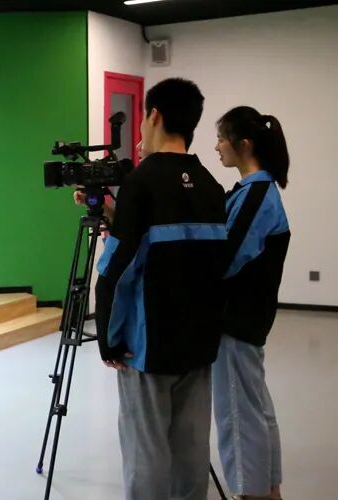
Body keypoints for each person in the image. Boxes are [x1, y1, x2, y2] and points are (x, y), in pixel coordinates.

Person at [91, 78, 228, 500]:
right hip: (199, 342)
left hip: (147, 345)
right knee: (191, 450)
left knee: (146, 451)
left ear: (154, 115)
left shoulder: (141, 182)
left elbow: (117, 266)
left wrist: (108, 339)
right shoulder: (210, 185)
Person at [213, 106, 290, 500]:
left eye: (221, 138)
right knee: (255, 406)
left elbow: (225, 258)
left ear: (243, 144)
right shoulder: (253, 191)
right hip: (247, 318)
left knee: (238, 414)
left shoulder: (256, 194)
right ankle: (269, 490)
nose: (217, 147)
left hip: (236, 320)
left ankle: (252, 493)